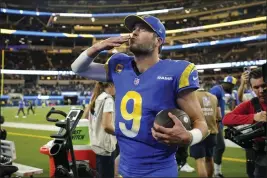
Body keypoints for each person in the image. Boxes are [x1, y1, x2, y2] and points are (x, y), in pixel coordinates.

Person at [71, 15, 208, 177]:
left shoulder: (176, 71)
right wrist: (98, 47)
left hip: (158, 171)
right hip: (124, 168)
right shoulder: (120, 65)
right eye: (134, 29)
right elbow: (78, 68)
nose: (134, 33)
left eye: (142, 29)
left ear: (158, 41)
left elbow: (201, 123)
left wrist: (189, 137)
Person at [223, 68, 267, 178]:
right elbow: (226, 119)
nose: (261, 90)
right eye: (256, 87)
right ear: (251, 88)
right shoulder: (252, 104)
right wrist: (254, 117)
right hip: (260, 156)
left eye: (264, 85)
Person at [86, 82, 117, 178]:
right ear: (111, 85)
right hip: (106, 145)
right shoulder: (108, 99)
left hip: (97, 142)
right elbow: (106, 126)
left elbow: (86, 117)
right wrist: (121, 133)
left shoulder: (96, 97)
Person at [190, 85, 221, 177]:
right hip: (212, 132)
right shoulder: (213, 97)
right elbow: (219, 117)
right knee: (209, 158)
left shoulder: (192, 96)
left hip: (198, 132)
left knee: (200, 160)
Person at [209, 75, 237, 178]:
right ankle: (216, 173)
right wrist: (215, 120)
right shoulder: (216, 90)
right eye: (232, 86)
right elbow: (209, 104)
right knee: (220, 147)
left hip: (218, 123)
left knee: (216, 148)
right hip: (214, 123)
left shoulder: (221, 91)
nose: (232, 88)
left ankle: (216, 172)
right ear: (228, 84)